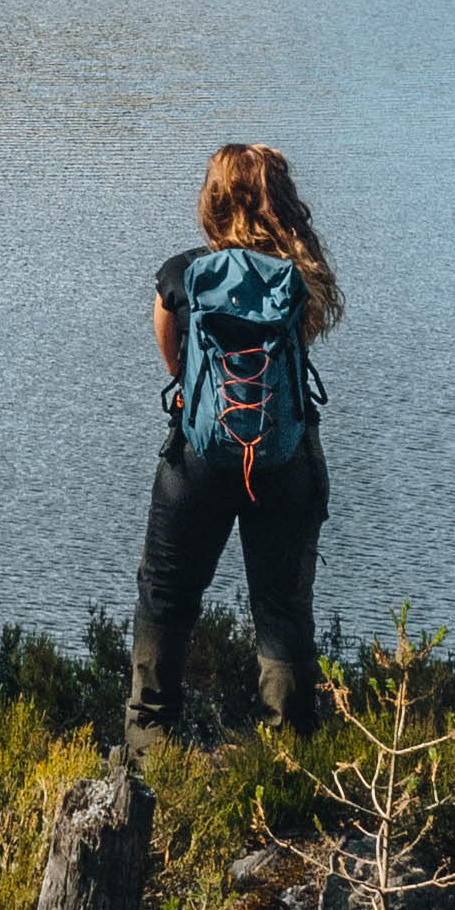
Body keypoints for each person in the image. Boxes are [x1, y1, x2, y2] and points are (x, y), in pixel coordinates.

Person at [129, 142, 343, 740]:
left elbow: (173, 361)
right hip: (284, 459)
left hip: (196, 462)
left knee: (166, 599)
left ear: (214, 200)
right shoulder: (301, 277)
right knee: (281, 611)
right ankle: (291, 765)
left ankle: (149, 759)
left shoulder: (181, 274)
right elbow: (304, 342)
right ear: (281, 199)